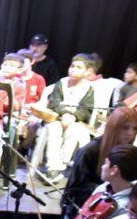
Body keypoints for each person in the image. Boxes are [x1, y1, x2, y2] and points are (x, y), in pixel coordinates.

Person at [60, 106, 137, 219]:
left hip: (116, 209)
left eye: (134, 128)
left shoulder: (131, 153)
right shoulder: (90, 150)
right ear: (114, 127)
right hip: (83, 212)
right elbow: (75, 189)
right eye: (125, 128)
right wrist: (112, 189)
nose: (130, 133)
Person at [34, 54, 96, 182]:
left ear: (86, 71)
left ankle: (59, 166)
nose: (73, 69)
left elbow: (86, 109)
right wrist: (65, 113)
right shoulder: (61, 83)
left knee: (73, 132)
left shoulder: (88, 88)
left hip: (75, 122)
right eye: (72, 66)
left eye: (79, 67)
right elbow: (53, 102)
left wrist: (73, 116)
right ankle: (53, 167)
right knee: (53, 130)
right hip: (57, 118)